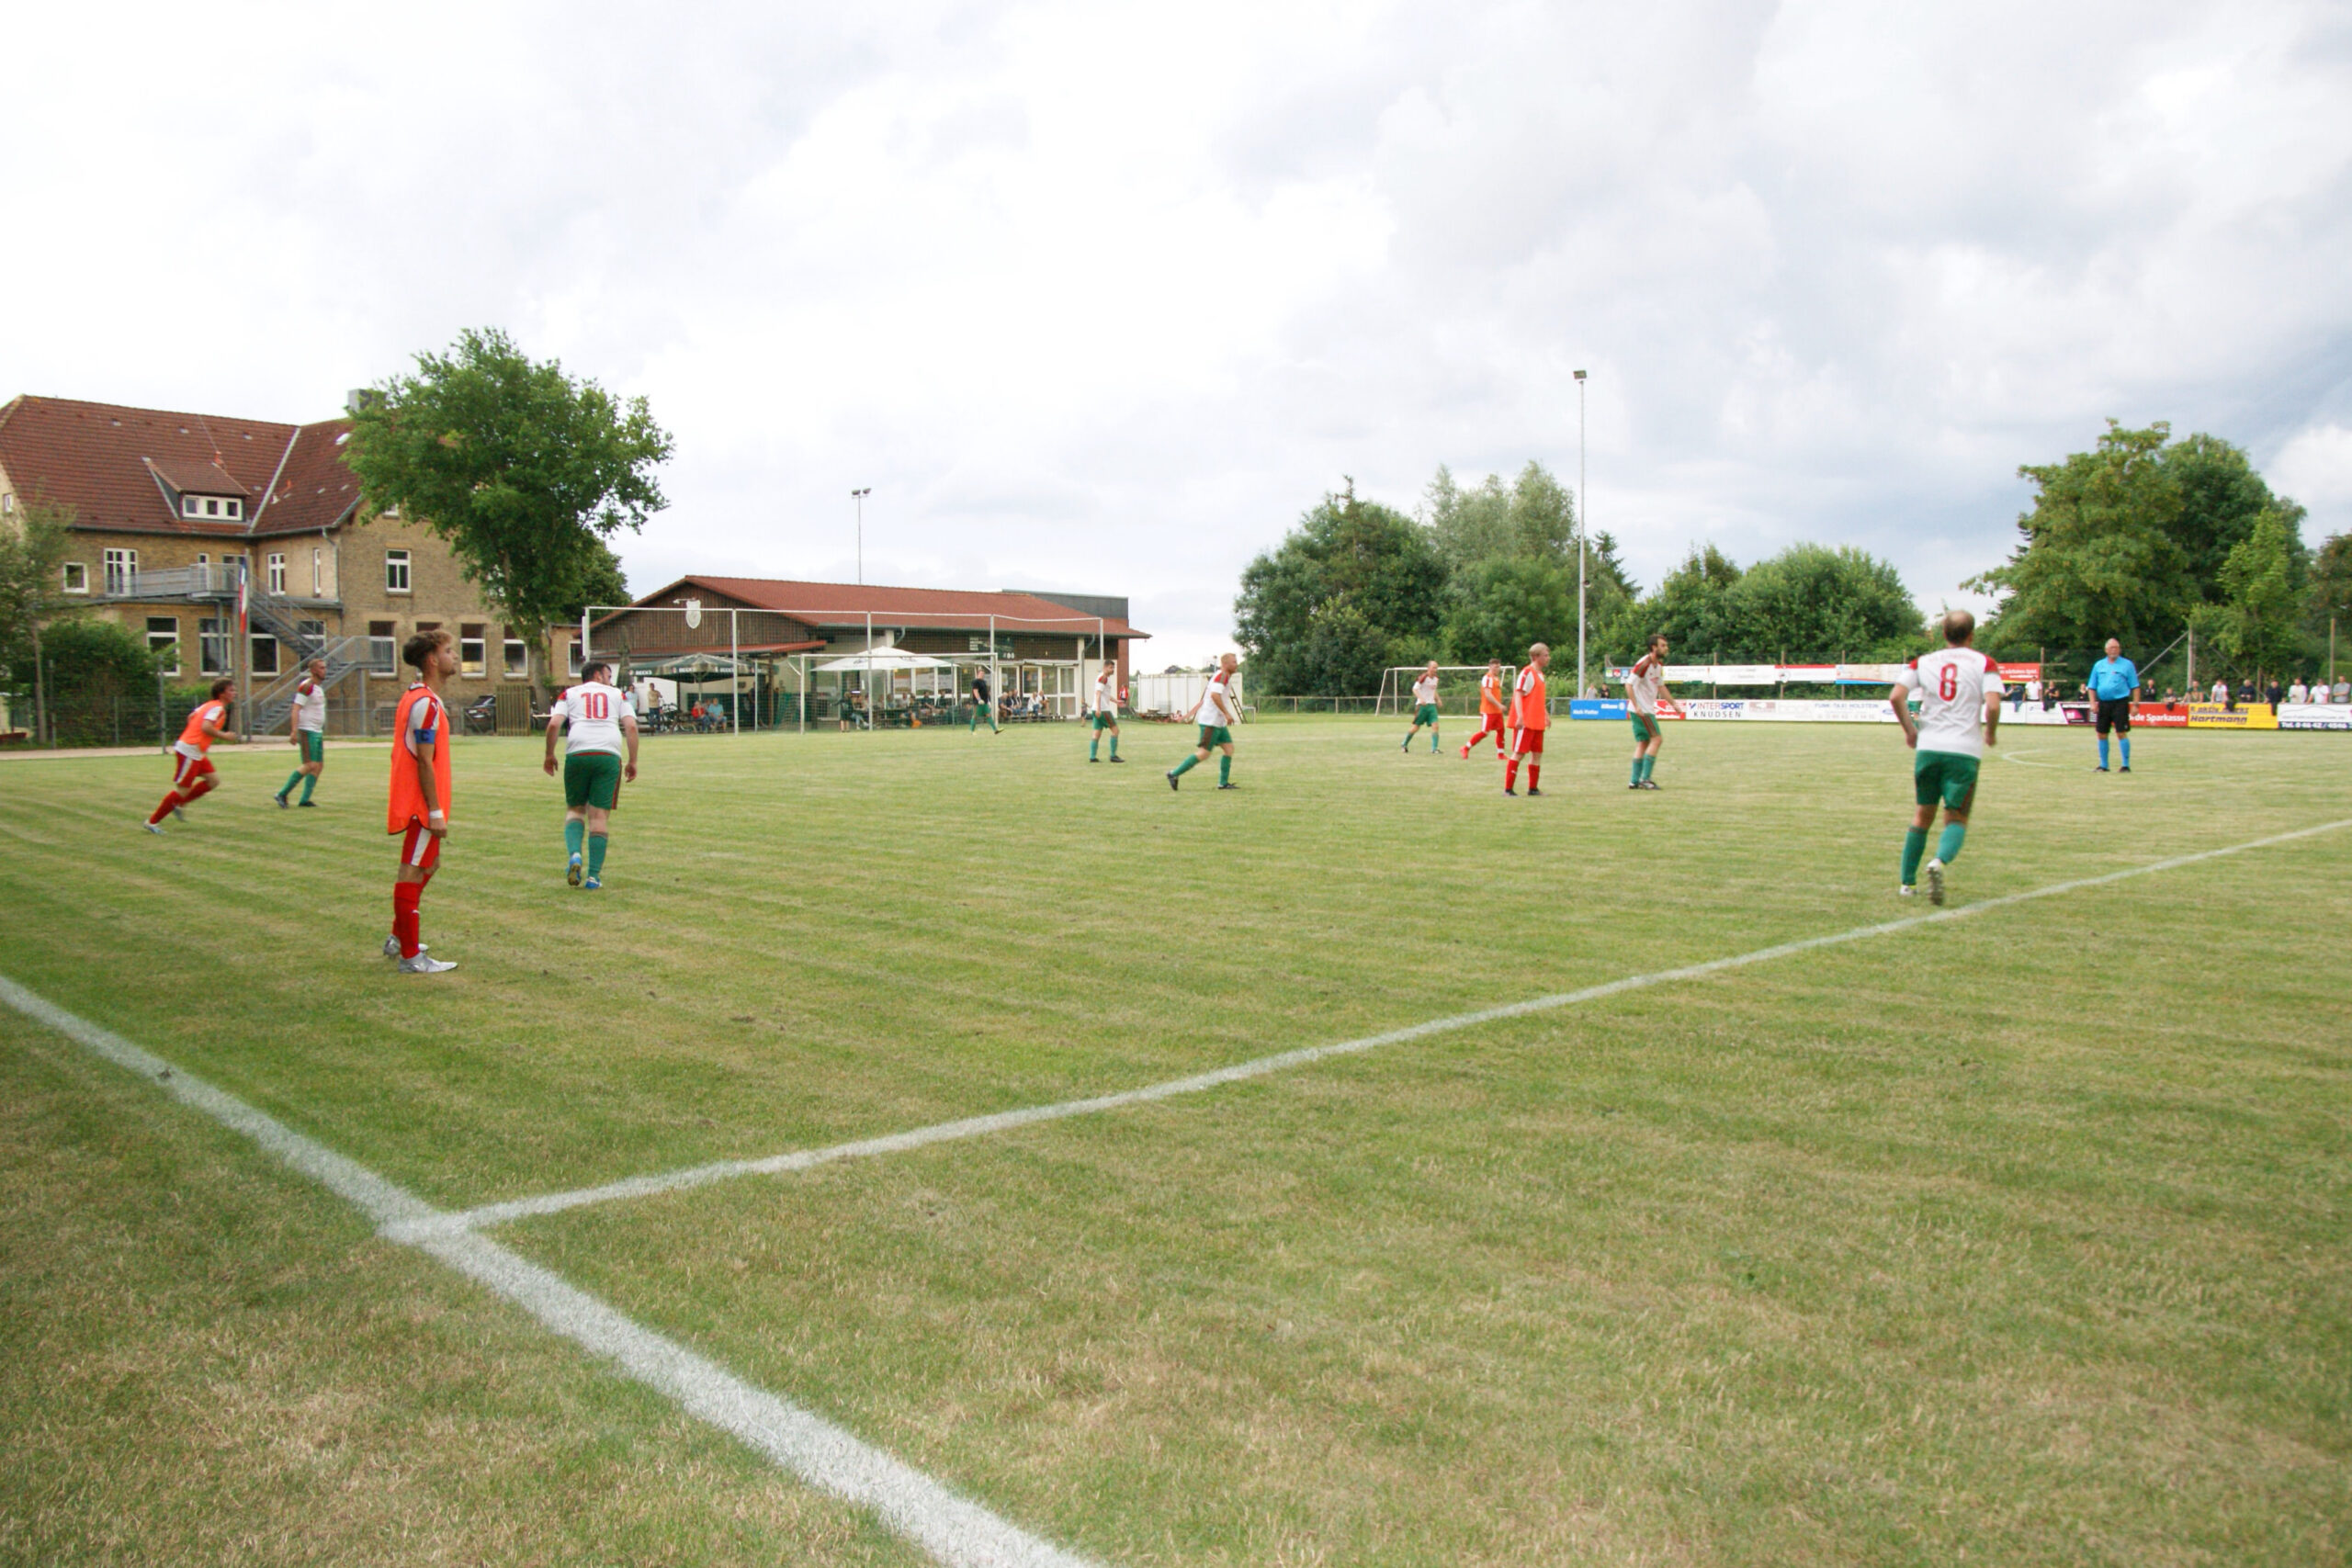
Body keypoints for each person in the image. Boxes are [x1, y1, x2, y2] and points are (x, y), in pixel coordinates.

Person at [1892, 610, 2003, 906]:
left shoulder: (1923, 662)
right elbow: (1992, 706)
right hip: (1964, 750)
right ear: (1972, 634)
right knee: (1956, 817)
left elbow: (1896, 696)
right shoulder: (1984, 663)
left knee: (1921, 815)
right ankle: (1938, 862)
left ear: (1943, 634)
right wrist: (1990, 733)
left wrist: (1910, 731)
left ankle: (1906, 883)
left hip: (1929, 747)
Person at [387, 628, 458, 974]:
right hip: (421, 806)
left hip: (420, 804)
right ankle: (410, 956)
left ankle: (400, 938)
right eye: (449, 650)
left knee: (428, 866)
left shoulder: (416, 696)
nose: (454, 656)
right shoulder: (426, 704)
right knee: (412, 872)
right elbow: (424, 761)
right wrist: (434, 811)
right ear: (432, 660)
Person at [546, 659, 640, 891]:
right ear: (597, 675)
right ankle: (593, 877)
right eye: (608, 676)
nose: (610, 681)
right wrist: (633, 760)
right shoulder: (618, 695)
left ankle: (575, 855)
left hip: (577, 753)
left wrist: (549, 754)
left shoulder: (568, 694)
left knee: (575, 809)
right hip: (607, 754)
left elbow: (553, 725)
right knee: (599, 817)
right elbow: (631, 727)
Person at [146, 677, 238, 831]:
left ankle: (180, 803)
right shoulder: (217, 708)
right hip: (190, 750)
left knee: (213, 781)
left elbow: (191, 717)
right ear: (221, 694)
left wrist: (193, 734)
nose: (234, 693)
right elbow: (206, 727)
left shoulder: (208, 705)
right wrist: (225, 736)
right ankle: (152, 822)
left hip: (195, 750)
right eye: (231, 690)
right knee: (182, 789)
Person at [1167, 653, 1240, 790]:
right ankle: (1173, 773)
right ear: (1225, 664)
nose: (1236, 664)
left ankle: (1223, 783)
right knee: (1204, 753)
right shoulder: (1222, 676)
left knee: (1229, 749)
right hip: (1211, 721)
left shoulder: (1222, 676)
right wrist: (1226, 713)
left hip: (1217, 722)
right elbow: (1214, 695)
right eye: (1234, 662)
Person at [274, 658, 331, 808]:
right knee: (309, 764)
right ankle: (282, 793)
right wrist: (294, 731)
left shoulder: (318, 688)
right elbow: (296, 708)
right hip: (307, 730)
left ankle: (304, 799)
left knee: (318, 765)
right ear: (313, 671)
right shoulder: (306, 686)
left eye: (325, 667)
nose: (324, 670)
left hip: (317, 731)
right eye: (321, 668)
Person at [1503, 642, 1550, 796]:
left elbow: (1538, 699)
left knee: (1537, 754)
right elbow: (1518, 694)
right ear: (1536, 657)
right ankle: (1508, 789)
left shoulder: (1541, 675)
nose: (1548, 658)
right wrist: (1520, 716)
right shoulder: (1527, 673)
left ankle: (1533, 788)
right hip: (1526, 722)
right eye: (1545, 655)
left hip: (1537, 722)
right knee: (1519, 753)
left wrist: (1545, 714)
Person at [1624, 633, 1669, 790]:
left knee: (1643, 743)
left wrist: (1674, 704)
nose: (1666, 648)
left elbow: (1661, 687)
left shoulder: (1659, 666)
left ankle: (1634, 781)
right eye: (1663, 645)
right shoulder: (1644, 664)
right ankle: (1645, 779)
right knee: (1657, 739)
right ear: (1654, 647)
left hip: (1643, 710)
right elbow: (1628, 685)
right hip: (1642, 710)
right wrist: (1636, 705)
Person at [2086, 637, 2138, 773]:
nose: (2114, 650)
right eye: (2111, 648)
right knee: (2101, 733)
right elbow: (2091, 686)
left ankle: (2125, 765)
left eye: (2116, 647)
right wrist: (2093, 703)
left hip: (2120, 702)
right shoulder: (2098, 665)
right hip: (2103, 703)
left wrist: (2135, 704)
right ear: (2106, 650)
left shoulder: (2127, 665)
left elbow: (2135, 686)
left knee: (2121, 732)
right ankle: (2104, 765)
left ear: (2120, 649)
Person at [1461, 659, 1510, 760]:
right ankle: (1465, 748)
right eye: (1495, 667)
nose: (1497, 669)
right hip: (1488, 711)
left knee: (1501, 731)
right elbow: (1488, 695)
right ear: (1490, 666)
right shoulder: (1487, 678)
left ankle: (1500, 754)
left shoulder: (1496, 679)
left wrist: (1499, 707)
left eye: (1499, 667)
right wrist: (1499, 705)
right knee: (1484, 732)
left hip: (1497, 711)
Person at [1399, 660, 1442, 753]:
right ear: (1429, 668)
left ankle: (1434, 749)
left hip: (1431, 706)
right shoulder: (1423, 677)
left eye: (1436, 668)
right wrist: (1421, 699)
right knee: (1416, 727)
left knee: (1435, 726)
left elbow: (1434, 690)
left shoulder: (1436, 679)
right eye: (1434, 667)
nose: (1435, 670)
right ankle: (1404, 743)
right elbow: (1415, 689)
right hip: (1422, 706)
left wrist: (1438, 699)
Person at [1088, 663, 1125, 762]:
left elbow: (1105, 695)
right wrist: (1099, 709)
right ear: (1104, 668)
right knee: (1115, 731)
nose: (1112, 669)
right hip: (1103, 710)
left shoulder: (1104, 678)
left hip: (1097, 709)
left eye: (1113, 668)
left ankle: (1092, 757)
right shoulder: (1103, 678)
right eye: (1110, 668)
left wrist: (1116, 701)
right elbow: (1098, 694)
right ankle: (1113, 756)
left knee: (1096, 734)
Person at [970, 667, 999, 733]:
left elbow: (985, 692)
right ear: (978, 674)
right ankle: (972, 731)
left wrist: (988, 701)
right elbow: (975, 691)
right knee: (975, 716)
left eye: (983, 674)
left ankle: (995, 730)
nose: (982, 675)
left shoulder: (984, 682)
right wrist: (979, 699)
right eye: (981, 674)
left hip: (985, 703)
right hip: (978, 703)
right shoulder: (975, 681)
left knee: (988, 715)